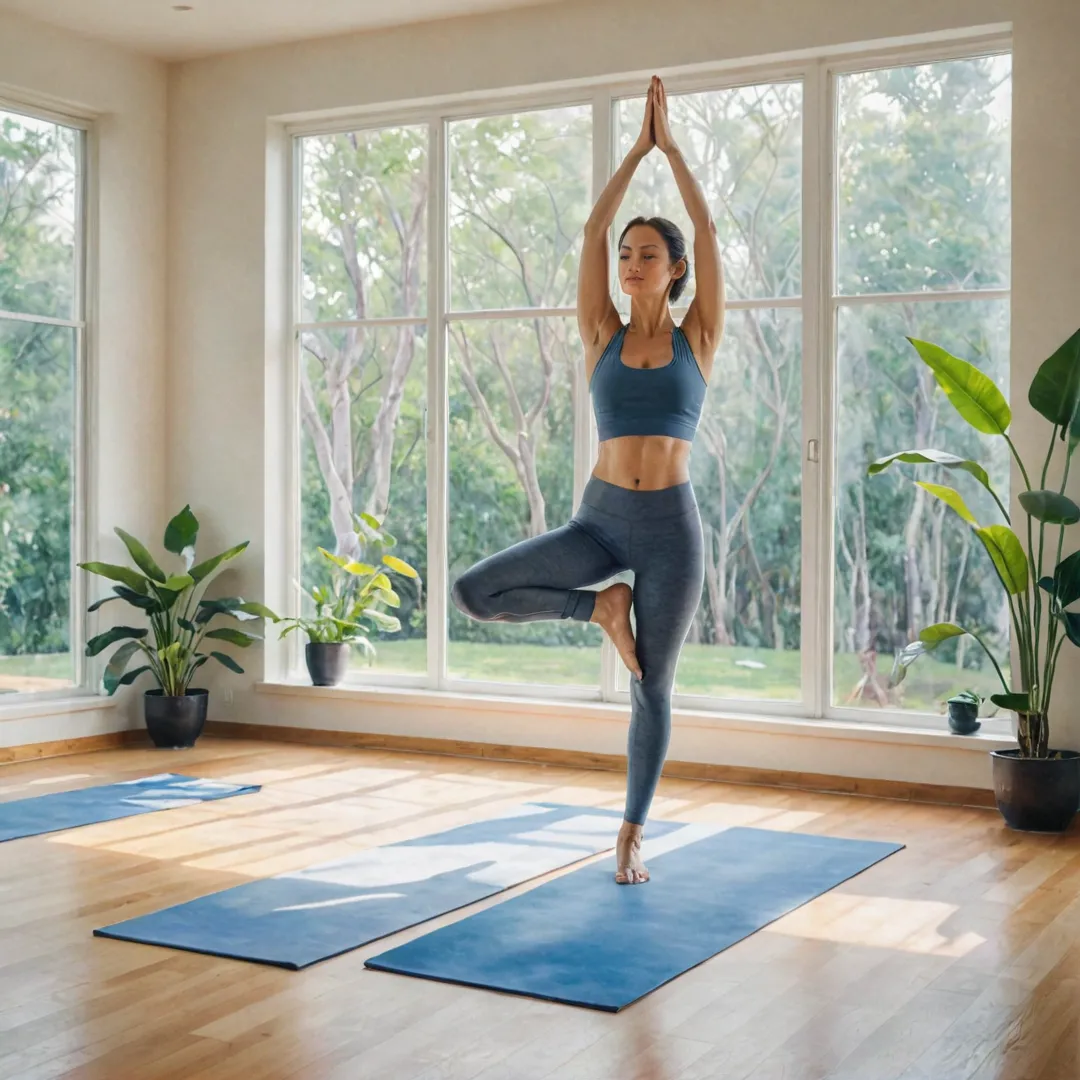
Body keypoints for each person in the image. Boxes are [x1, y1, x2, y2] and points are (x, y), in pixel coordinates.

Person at [451, 75, 725, 884]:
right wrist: (634, 150)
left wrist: (671, 152)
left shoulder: (699, 336)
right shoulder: (599, 330)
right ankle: (599, 606)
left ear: (675, 270)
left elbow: (706, 225)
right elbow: (591, 226)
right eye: (626, 256)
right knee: (475, 591)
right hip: (598, 522)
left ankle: (631, 833)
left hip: (671, 528)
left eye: (649, 255)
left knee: (654, 683)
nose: (631, 263)